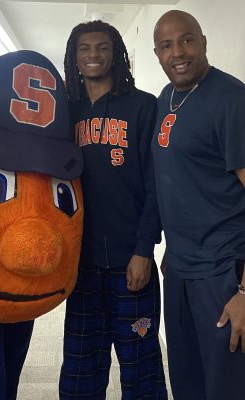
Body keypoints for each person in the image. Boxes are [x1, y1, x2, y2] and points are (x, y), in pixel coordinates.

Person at [59, 20, 167, 400]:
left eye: (102, 47)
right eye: (84, 48)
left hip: (130, 261)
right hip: (80, 263)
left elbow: (156, 186)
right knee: (80, 368)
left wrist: (143, 249)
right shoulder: (65, 111)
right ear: (74, 57)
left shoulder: (143, 107)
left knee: (140, 365)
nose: (93, 55)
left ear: (116, 54)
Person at [153, 9, 245, 400]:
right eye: (167, 45)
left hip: (223, 272)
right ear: (157, 53)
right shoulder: (166, 97)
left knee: (225, 387)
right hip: (180, 268)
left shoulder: (231, 99)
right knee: (187, 382)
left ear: (204, 43)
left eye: (187, 39)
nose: (179, 52)